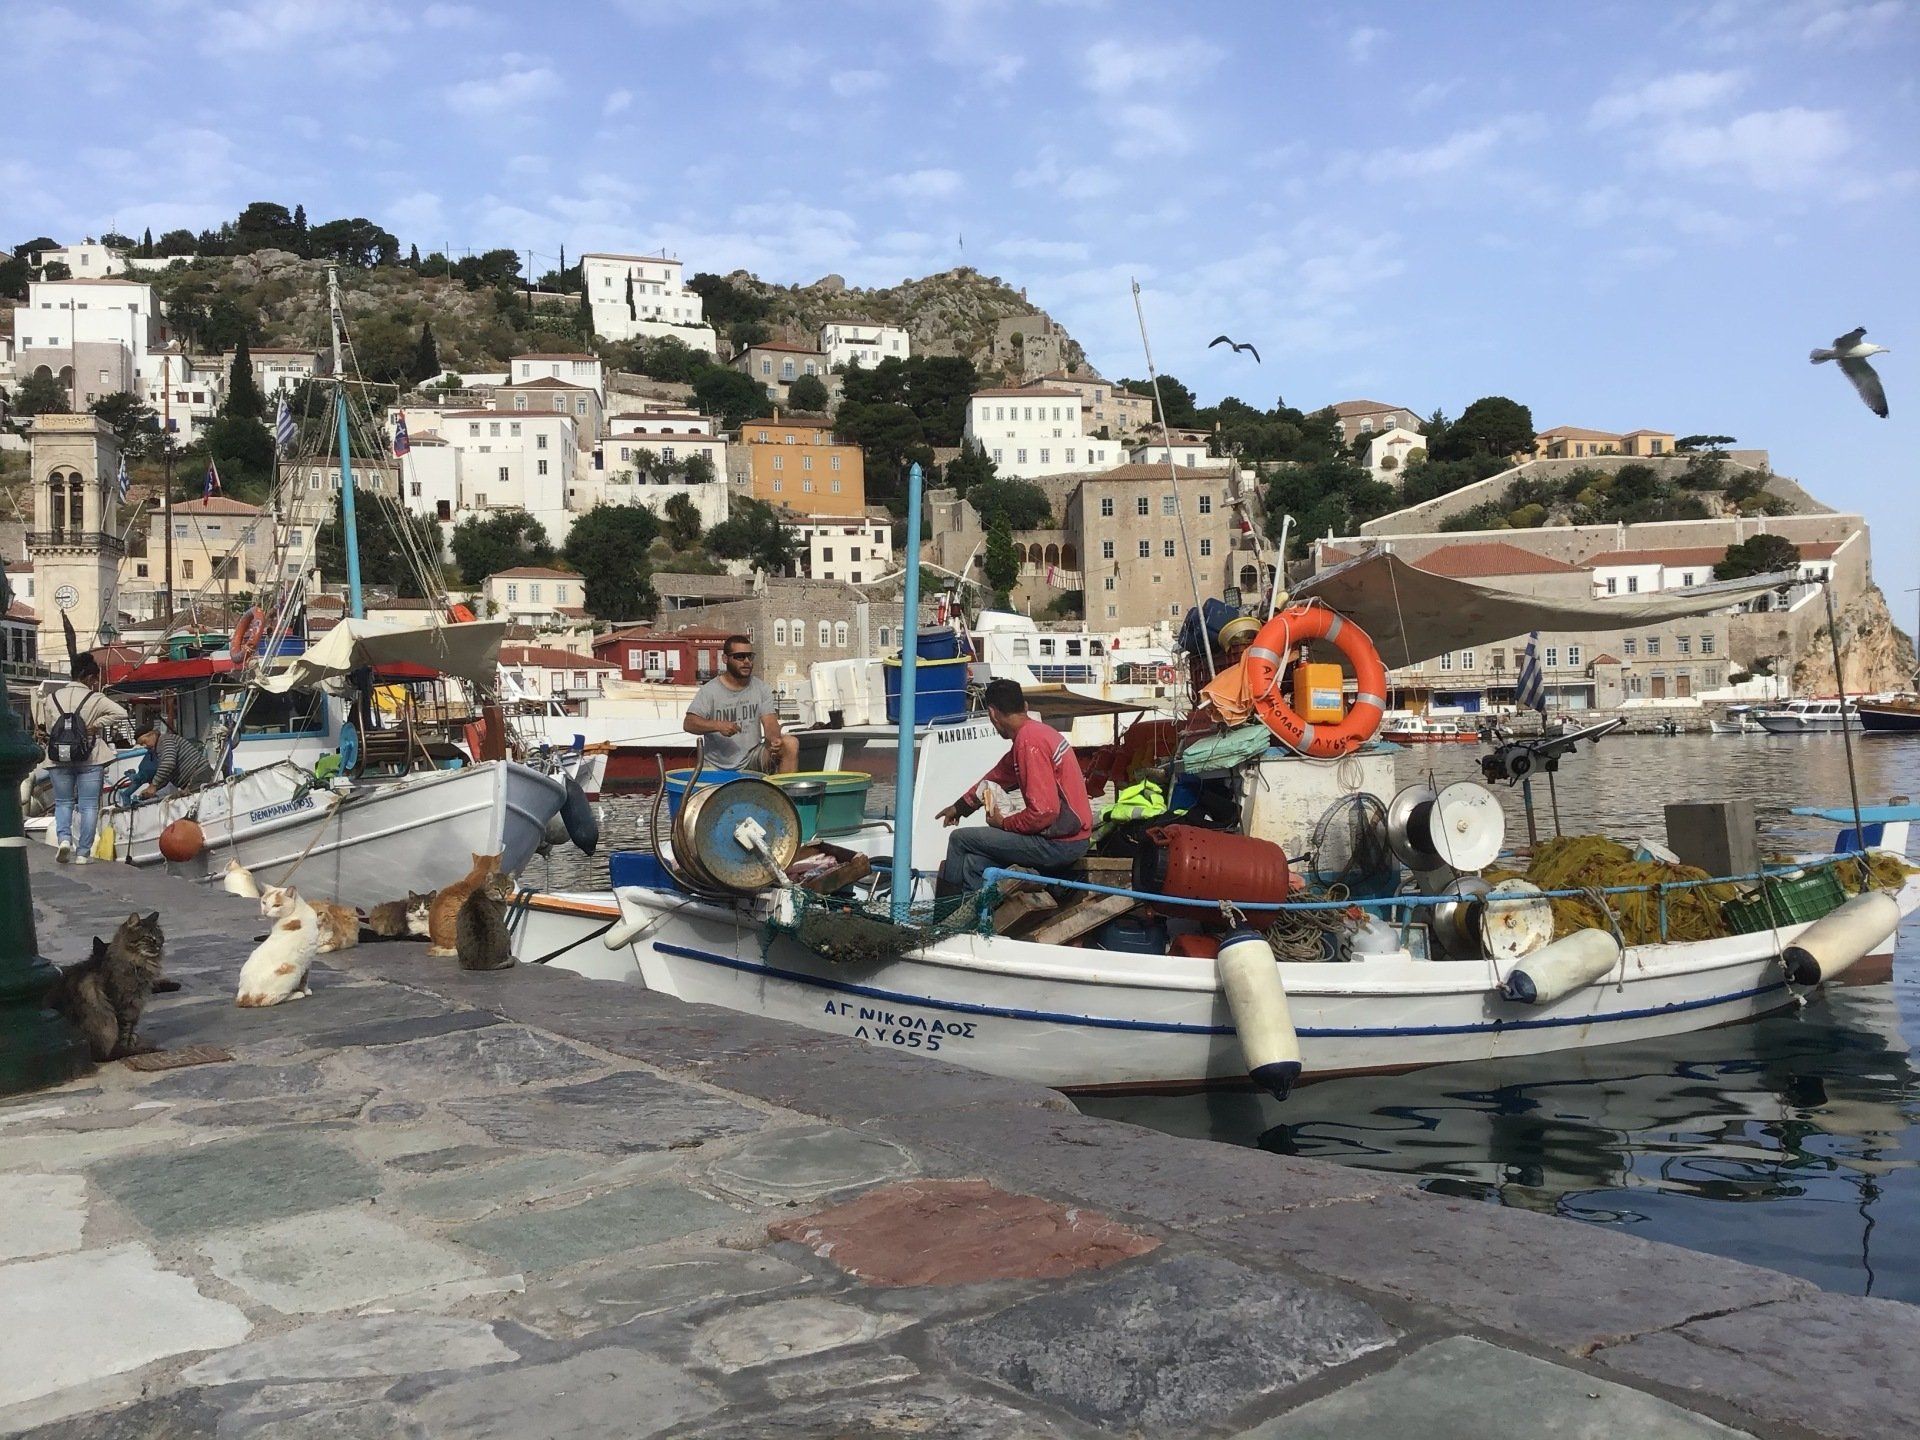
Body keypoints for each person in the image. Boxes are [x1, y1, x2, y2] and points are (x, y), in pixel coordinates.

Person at [935, 678, 1093, 893]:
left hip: (1061, 844)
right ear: (1025, 707)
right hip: (1071, 839)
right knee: (972, 863)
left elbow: (1044, 812)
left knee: (959, 839)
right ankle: (980, 918)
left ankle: (947, 916)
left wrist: (1004, 823)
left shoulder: (1029, 742)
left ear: (992, 713)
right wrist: (961, 807)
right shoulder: (1037, 733)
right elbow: (998, 776)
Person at [32, 655, 131, 865]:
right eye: (94, 679)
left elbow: (49, 728)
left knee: (63, 802)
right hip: (89, 756)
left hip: (58, 758)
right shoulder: (95, 698)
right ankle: (83, 853)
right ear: (87, 677)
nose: (95, 683)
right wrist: (96, 724)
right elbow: (121, 713)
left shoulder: (52, 698)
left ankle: (64, 840)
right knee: (87, 805)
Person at [683, 634, 798, 774]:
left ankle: (783, 794)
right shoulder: (710, 690)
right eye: (740, 656)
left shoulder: (761, 688)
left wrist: (774, 740)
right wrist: (718, 725)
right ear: (725, 659)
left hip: (752, 759)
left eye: (750, 656)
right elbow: (689, 723)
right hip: (717, 767)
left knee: (791, 744)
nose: (746, 661)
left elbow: (770, 723)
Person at [134, 724, 216, 801]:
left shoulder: (165, 740)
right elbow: (167, 775)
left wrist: (154, 785)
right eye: (141, 744)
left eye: (144, 742)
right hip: (194, 779)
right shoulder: (159, 748)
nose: (144, 746)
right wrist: (153, 789)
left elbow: (168, 764)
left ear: (152, 734)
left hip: (199, 775)